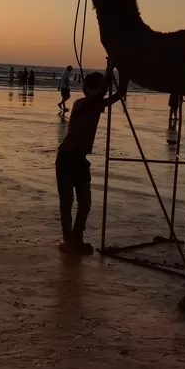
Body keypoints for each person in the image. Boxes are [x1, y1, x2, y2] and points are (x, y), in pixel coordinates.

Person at [55, 69, 128, 255]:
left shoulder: (96, 104)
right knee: (67, 201)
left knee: (85, 202)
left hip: (80, 159)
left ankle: (77, 236)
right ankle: (67, 238)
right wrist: (108, 72)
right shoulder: (81, 104)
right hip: (66, 157)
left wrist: (123, 74)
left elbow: (119, 95)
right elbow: (100, 94)